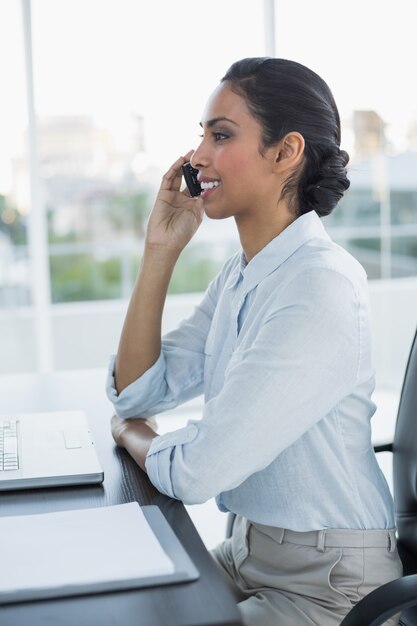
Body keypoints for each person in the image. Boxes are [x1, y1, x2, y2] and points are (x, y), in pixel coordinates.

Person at [106, 57, 402, 625]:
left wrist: (132, 437)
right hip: (248, 555)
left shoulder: (319, 285)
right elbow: (138, 391)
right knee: (127, 604)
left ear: (285, 152)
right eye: (201, 137)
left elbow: (195, 469)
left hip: (330, 586)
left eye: (221, 135)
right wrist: (160, 251)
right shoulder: (246, 274)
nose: (196, 158)